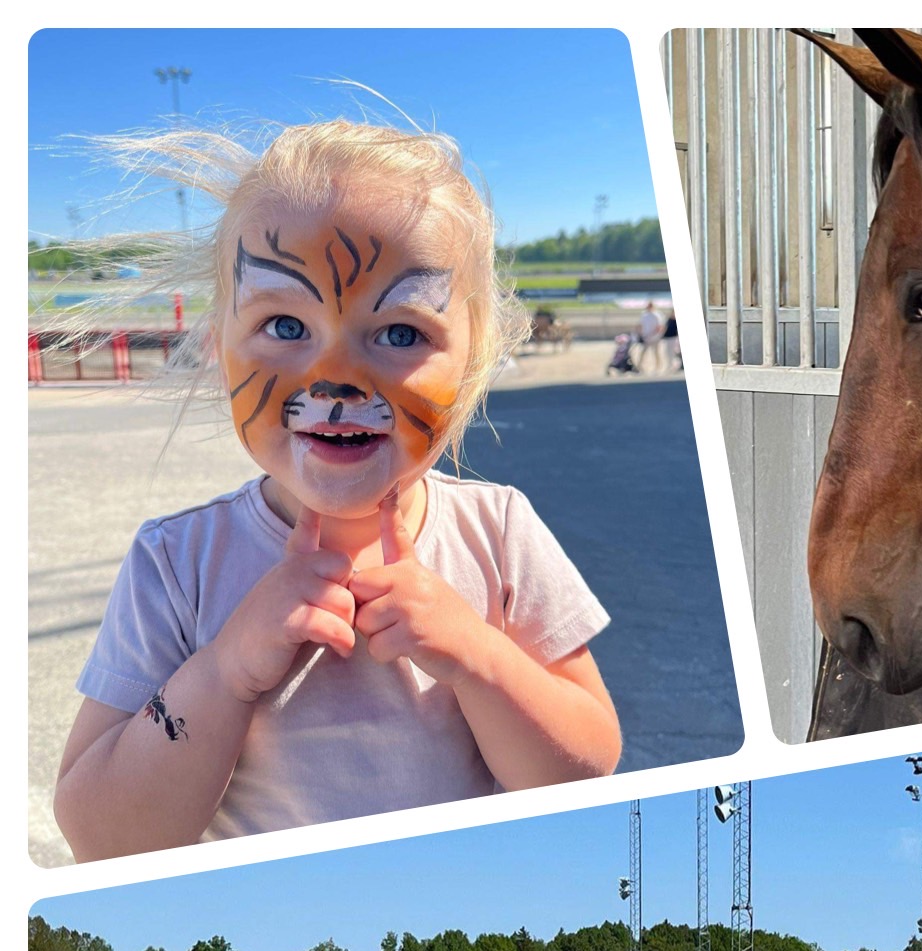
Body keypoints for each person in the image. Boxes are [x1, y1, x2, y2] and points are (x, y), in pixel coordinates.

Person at [52, 118, 622, 861]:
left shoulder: (500, 533)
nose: (337, 378)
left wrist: (477, 656)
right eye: (284, 322)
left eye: (398, 334)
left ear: (474, 357)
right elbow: (101, 836)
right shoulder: (177, 562)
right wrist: (222, 673)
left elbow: (586, 772)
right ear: (221, 351)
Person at [636, 300, 665, 371]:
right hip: (645, 337)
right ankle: (640, 367)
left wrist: (653, 335)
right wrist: (641, 334)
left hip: (655, 338)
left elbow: (660, 327)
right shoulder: (644, 315)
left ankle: (658, 367)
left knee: (656, 353)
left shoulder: (657, 315)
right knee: (643, 353)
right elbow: (640, 325)